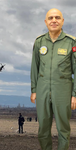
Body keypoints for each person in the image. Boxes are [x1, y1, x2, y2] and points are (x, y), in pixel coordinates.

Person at [30, 8, 76, 150]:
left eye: (57, 18)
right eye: (50, 18)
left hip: (63, 89)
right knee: (43, 128)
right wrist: (34, 90)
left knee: (63, 128)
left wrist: (74, 94)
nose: (54, 20)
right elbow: (35, 67)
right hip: (42, 88)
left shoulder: (71, 43)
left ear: (62, 21)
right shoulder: (39, 42)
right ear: (46, 22)